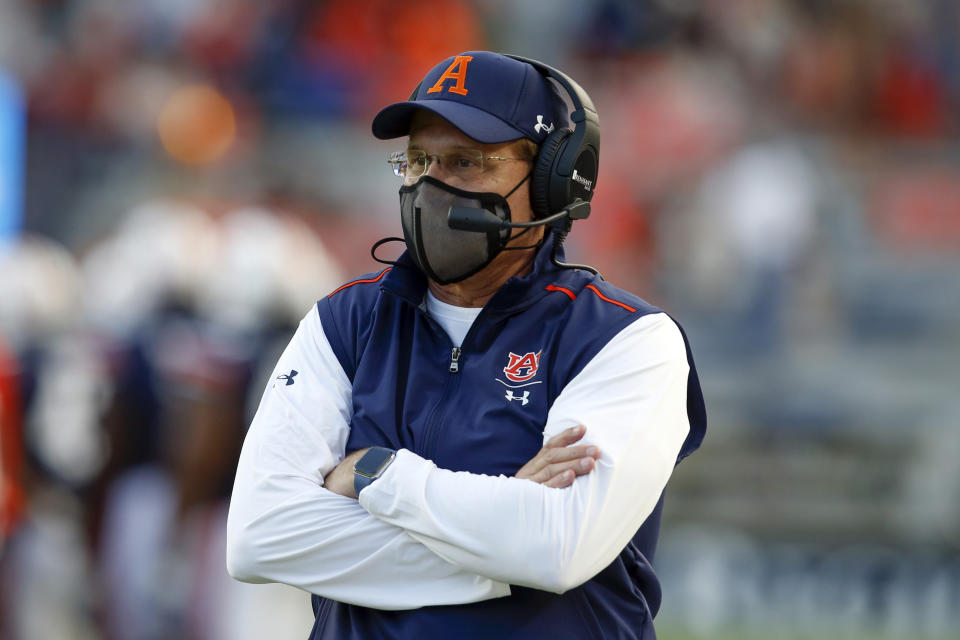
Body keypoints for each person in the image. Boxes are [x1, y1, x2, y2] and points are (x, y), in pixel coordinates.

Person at [226, 51, 706, 639]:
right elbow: (260, 537)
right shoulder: (343, 322)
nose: (431, 185)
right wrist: (499, 543)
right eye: (419, 160)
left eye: (466, 162)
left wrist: (378, 476)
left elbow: (559, 547)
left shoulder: (627, 339)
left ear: (556, 178)